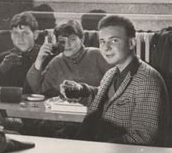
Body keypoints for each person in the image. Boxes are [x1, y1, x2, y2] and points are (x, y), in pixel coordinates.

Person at [61, 15, 169, 146]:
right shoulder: (111, 73)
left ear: (131, 43)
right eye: (102, 41)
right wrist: (80, 90)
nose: (106, 47)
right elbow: (106, 100)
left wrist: (99, 150)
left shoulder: (147, 80)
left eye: (114, 40)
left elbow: (143, 137)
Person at [26, 20, 111, 97]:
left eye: (72, 39)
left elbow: (116, 87)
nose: (67, 45)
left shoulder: (97, 55)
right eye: (62, 41)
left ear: (82, 39)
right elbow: (39, 91)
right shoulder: (56, 62)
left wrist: (83, 90)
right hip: (66, 111)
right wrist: (39, 59)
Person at [0, 11, 41, 92]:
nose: (20, 38)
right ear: (11, 35)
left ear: (35, 35)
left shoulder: (43, 56)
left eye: (25, 33)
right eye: (16, 33)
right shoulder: (3, 58)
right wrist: (1, 68)